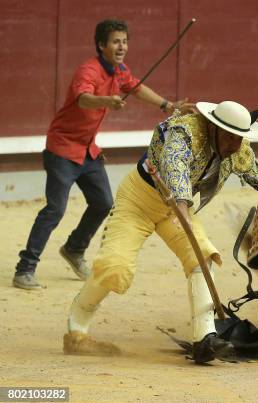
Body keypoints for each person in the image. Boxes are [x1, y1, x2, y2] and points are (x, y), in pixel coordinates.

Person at [62, 100, 258, 363]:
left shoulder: (237, 151)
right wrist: (181, 198)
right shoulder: (185, 131)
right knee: (114, 267)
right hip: (140, 200)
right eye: (230, 137)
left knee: (203, 258)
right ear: (214, 128)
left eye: (240, 138)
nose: (235, 145)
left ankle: (204, 339)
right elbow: (174, 162)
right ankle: (77, 330)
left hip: (177, 209)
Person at [13, 19, 186, 290]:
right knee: (55, 209)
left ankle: (74, 249)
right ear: (102, 45)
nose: (122, 46)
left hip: (88, 151)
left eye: (125, 41)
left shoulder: (120, 70)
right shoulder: (88, 70)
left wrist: (167, 105)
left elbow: (136, 87)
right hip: (62, 149)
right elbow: (83, 99)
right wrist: (107, 101)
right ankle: (25, 269)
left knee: (103, 203)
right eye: (116, 41)